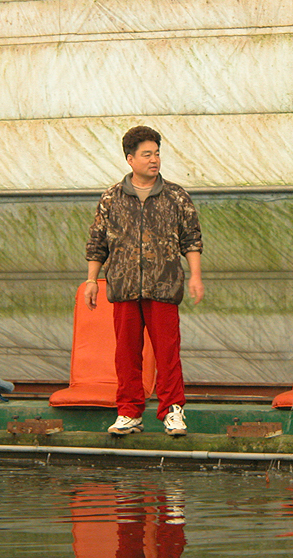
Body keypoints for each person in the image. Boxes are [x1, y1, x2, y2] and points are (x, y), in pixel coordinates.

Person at [84, 125, 204, 437]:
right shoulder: (111, 198)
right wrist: (92, 280)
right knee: (126, 354)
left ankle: (172, 410)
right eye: (147, 154)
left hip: (163, 286)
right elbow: (97, 242)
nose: (154, 160)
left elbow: (191, 239)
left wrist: (195, 276)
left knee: (167, 353)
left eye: (157, 154)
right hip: (123, 287)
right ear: (130, 159)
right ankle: (129, 411)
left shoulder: (176, 196)